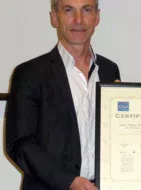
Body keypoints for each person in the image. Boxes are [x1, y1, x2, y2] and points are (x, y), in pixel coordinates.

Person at [6, 0, 120, 189]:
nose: (78, 20)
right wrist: (69, 181)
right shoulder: (29, 73)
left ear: (97, 17)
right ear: (54, 18)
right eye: (68, 10)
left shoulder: (110, 70)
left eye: (86, 10)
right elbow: (20, 144)